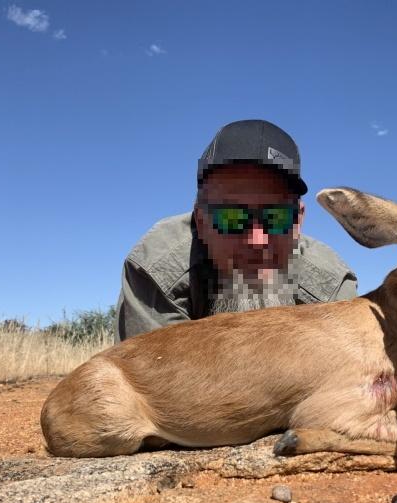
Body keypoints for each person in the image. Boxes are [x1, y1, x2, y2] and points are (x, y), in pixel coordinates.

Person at [114, 119, 358, 343]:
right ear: (200, 222)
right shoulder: (157, 269)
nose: (257, 240)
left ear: (298, 222)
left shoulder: (331, 290)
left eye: (277, 217)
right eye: (231, 218)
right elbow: (154, 383)